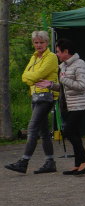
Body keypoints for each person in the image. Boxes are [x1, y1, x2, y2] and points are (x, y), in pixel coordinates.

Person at [39, 38, 85, 176]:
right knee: (74, 133)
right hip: (70, 105)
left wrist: (63, 79)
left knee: (69, 131)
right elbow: (65, 87)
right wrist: (51, 85)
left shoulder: (80, 65)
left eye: (58, 51)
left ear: (66, 51)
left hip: (81, 104)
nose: (57, 54)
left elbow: (82, 86)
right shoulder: (64, 66)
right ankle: (78, 164)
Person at [5, 31, 59, 174]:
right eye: (36, 42)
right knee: (44, 131)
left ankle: (23, 162)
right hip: (35, 96)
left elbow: (38, 75)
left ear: (47, 43)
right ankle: (50, 162)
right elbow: (25, 76)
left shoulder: (52, 57)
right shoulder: (34, 57)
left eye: (41, 42)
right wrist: (31, 78)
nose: (38, 45)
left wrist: (31, 77)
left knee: (32, 127)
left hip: (47, 96)